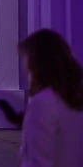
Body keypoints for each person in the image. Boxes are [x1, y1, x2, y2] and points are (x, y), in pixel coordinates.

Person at [17, 29, 83, 167]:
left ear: (35, 62)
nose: (25, 67)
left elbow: (38, 161)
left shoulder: (43, 102)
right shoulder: (76, 97)